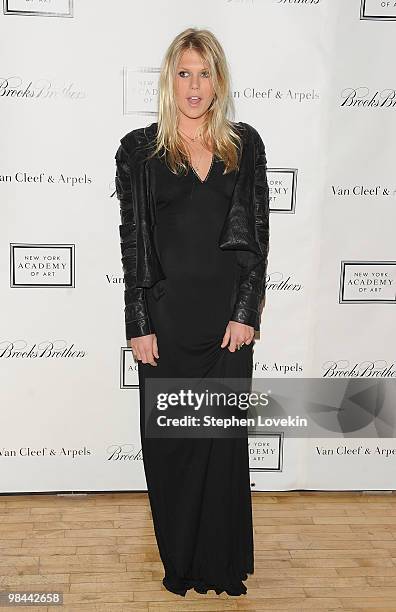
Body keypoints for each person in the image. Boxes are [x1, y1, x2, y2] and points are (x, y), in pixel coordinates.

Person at [114, 28, 270, 597]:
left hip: (228, 326)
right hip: (168, 323)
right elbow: (133, 242)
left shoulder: (244, 145)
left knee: (222, 448)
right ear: (169, 79)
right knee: (173, 448)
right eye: (184, 73)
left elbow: (258, 238)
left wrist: (246, 311)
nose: (194, 85)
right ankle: (181, 562)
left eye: (204, 73)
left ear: (219, 80)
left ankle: (222, 566)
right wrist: (138, 323)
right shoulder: (139, 150)